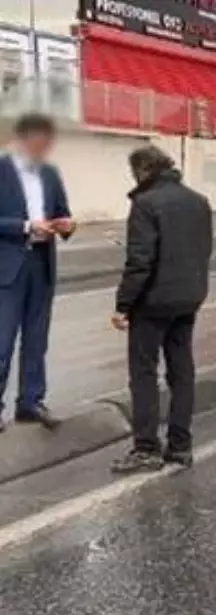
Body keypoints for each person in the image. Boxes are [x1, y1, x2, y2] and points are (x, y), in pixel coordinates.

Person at [110, 146, 213, 474]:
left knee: (143, 373)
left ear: (142, 171)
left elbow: (140, 262)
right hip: (188, 298)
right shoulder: (199, 201)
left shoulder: (145, 203)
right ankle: (181, 446)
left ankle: (146, 448)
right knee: (182, 371)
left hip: (152, 303)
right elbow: (203, 251)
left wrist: (123, 305)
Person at [0, 113, 75, 434]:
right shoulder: (1, 170)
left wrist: (67, 224)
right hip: (8, 266)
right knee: (2, 340)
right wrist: (26, 226)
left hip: (41, 264)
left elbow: (62, 211)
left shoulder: (50, 173)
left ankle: (31, 402)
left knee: (36, 339)